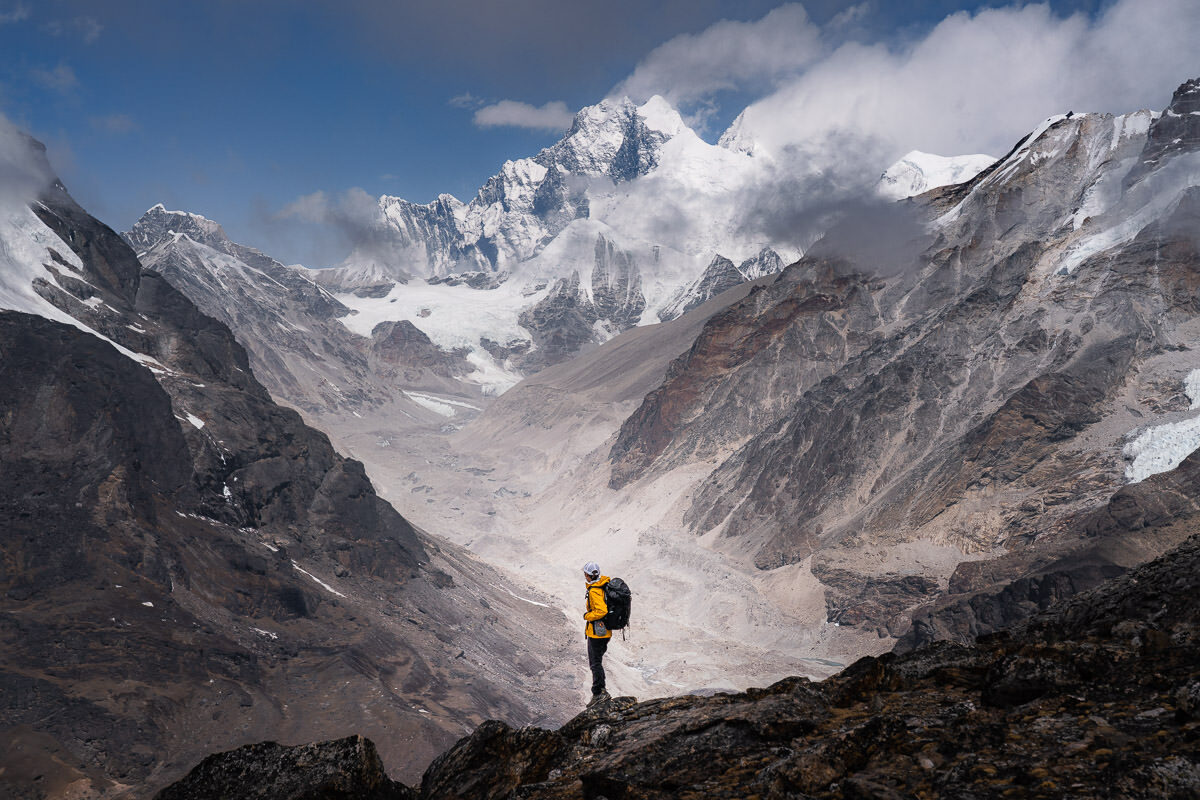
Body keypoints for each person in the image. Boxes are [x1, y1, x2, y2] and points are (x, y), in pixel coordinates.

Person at [582, 561, 612, 706]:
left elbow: (602, 611)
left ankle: (599, 693)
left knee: (595, 663)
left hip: (597, 634)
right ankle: (600, 691)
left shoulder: (594, 590)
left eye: (585, 574)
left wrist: (587, 616)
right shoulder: (603, 585)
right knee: (597, 662)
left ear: (588, 575)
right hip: (604, 632)